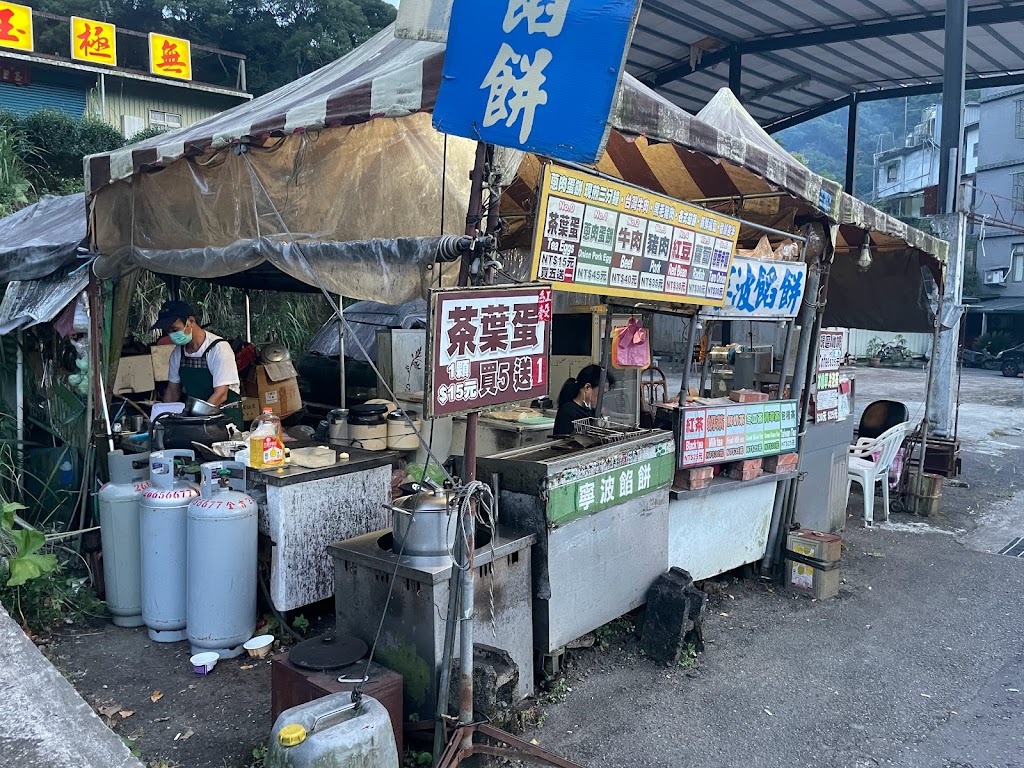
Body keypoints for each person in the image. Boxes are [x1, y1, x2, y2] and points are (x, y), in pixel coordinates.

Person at [154, 301, 242, 424]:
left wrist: (197, 420)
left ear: (190, 321)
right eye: (168, 331)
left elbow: (221, 394)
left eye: (175, 329)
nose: (171, 334)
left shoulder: (219, 349)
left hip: (225, 420)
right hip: (196, 420)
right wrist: (163, 420)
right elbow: (173, 391)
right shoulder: (178, 353)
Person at [553, 364, 615, 437]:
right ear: (587, 388)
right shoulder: (567, 412)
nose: (602, 398)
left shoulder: (593, 412)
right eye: (601, 394)